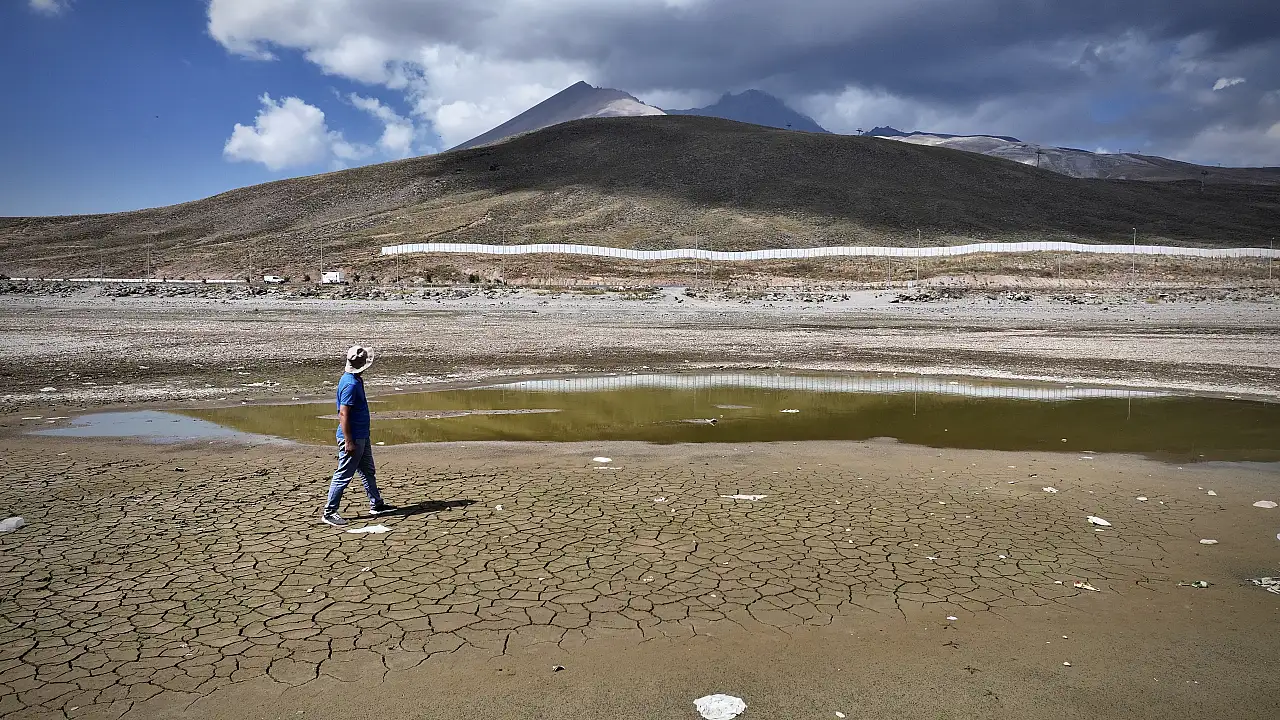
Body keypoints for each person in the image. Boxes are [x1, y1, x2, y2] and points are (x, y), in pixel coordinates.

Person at [322, 345, 396, 526]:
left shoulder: (355, 380)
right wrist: (348, 441)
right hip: (353, 437)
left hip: (361, 435)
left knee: (367, 470)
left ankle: (376, 504)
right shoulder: (350, 384)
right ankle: (329, 512)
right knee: (343, 474)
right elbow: (343, 414)